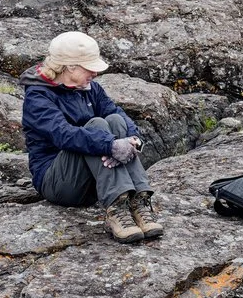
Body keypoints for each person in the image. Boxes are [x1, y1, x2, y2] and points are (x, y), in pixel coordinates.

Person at [19, 31, 164, 244]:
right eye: (90, 67)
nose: (95, 73)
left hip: (93, 183)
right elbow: (63, 135)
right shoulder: (38, 96)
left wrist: (132, 141)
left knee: (113, 120)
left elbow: (117, 114)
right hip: (59, 183)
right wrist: (110, 146)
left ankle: (138, 201)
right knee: (97, 126)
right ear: (70, 66)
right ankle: (116, 208)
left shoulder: (90, 88)